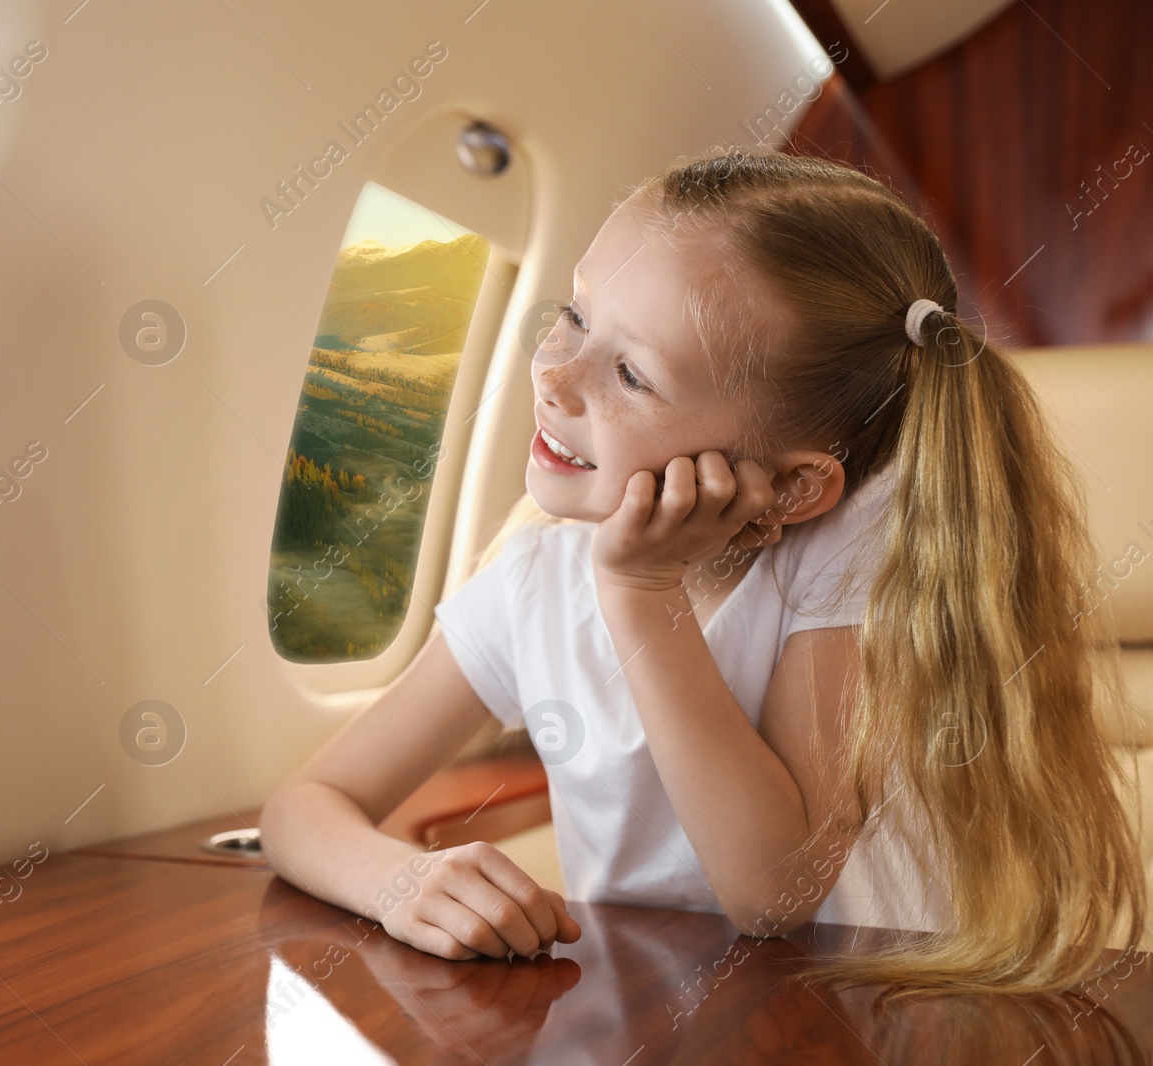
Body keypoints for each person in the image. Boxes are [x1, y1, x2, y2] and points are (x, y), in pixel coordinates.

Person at [258, 146, 1145, 998]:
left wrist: (641, 598)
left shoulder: (846, 566)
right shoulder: (535, 572)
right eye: (573, 316)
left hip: (854, 1007)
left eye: (632, 374)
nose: (556, 376)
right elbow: (308, 803)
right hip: (639, 1006)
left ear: (795, 485)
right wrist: (399, 882)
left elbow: (773, 895)